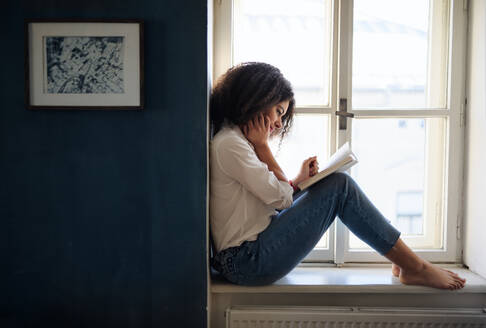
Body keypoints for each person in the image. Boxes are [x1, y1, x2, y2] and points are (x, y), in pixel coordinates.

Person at [209, 62, 466, 290]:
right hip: (246, 261)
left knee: (335, 184)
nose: (278, 123)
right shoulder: (232, 144)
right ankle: (414, 267)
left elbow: (266, 198)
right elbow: (280, 200)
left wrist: (298, 182)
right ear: (257, 97)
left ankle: (405, 262)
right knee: (339, 186)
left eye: (282, 116)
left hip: (248, 254)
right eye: (278, 111)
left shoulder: (235, 140)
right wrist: (264, 148)